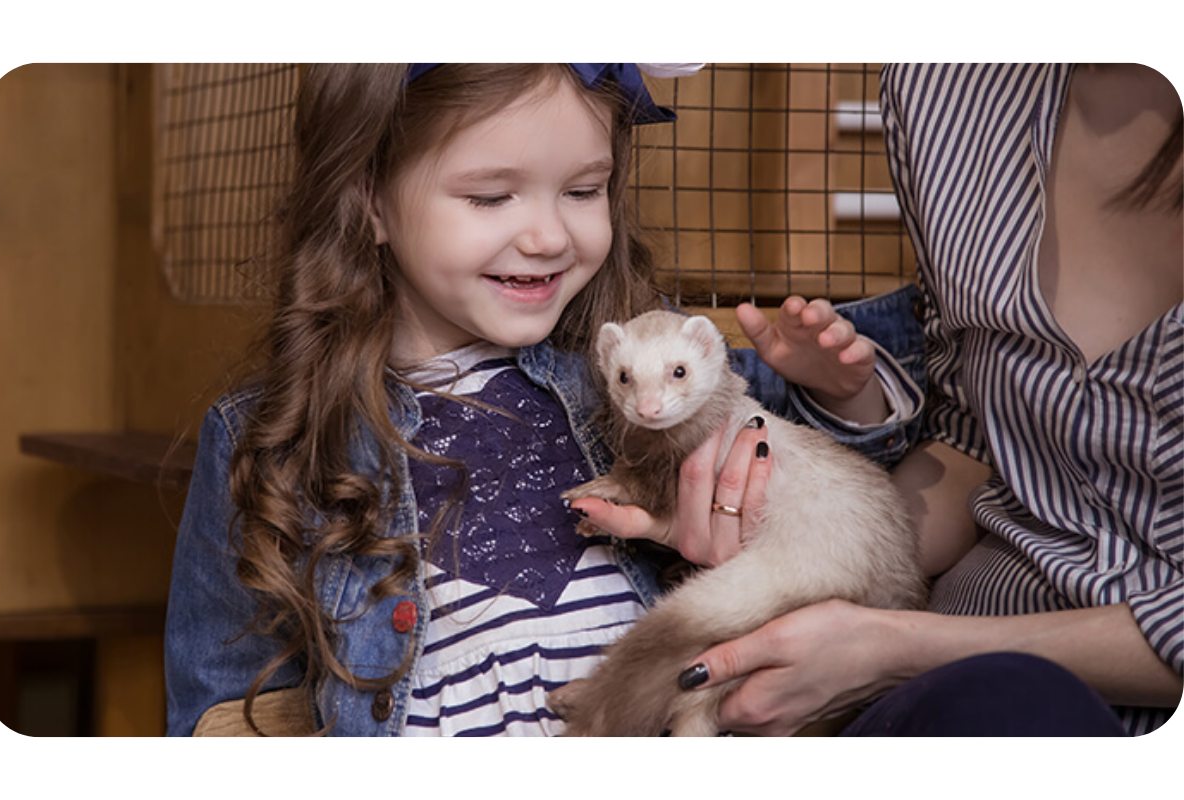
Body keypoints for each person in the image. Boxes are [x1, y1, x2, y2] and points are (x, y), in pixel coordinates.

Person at [163, 62, 924, 738]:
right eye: (492, 196)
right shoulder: (268, 438)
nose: (548, 236)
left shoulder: (630, 378)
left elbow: (838, 515)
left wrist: (843, 396)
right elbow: (220, 702)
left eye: (584, 190)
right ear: (371, 203)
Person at [665, 62, 1184, 738]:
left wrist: (889, 648)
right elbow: (975, 440)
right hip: (942, 676)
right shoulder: (939, 85)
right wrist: (813, 541)